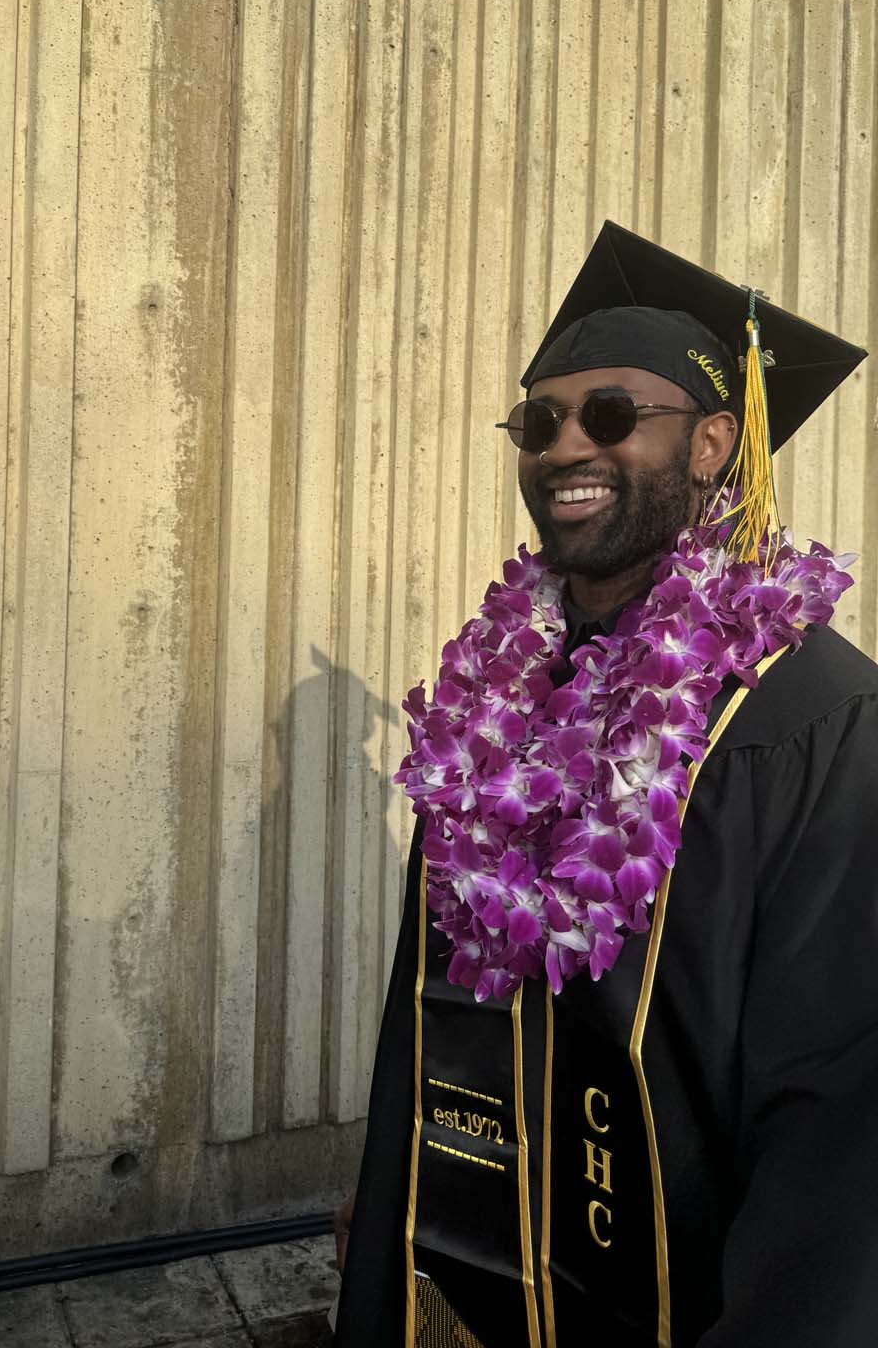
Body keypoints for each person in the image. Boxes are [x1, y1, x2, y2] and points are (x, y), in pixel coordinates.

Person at [334, 222, 878, 1348]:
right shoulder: (490, 705)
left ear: (716, 442)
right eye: (540, 421)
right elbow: (422, 1025)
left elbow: (843, 1123)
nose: (564, 445)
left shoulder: (809, 719)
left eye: (613, 416)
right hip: (477, 1294)